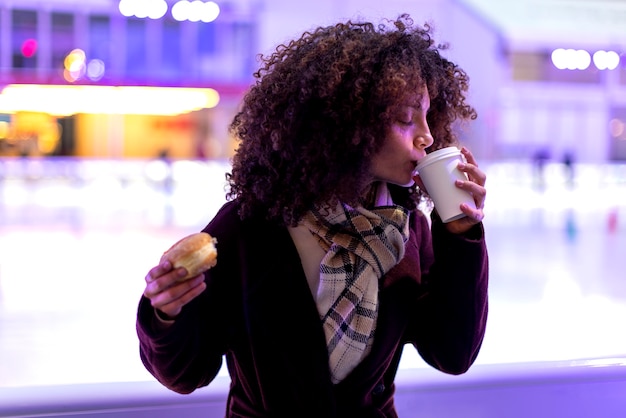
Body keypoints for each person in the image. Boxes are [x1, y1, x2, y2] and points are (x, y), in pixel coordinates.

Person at [137, 14, 489, 417]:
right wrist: (166, 313)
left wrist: (462, 234)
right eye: (406, 119)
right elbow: (185, 373)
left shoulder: (411, 232)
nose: (427, 135)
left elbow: (453, 352)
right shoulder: (250, 225)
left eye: (428, 116)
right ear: (345, 125)